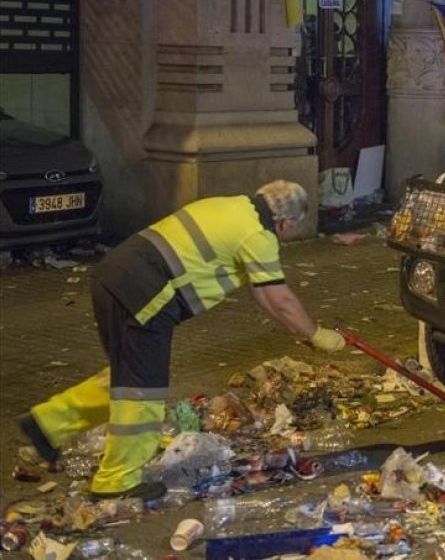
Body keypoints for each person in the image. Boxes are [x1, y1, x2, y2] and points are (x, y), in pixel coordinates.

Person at [17, 181, 345, 501]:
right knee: (142, 391)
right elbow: (278, 299)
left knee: (126, 374)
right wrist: (314, 334)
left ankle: (48, 424)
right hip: (148, 295)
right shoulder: (259, 235)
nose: (289, 235)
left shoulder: (227, 205)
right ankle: (115, 481)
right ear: (285, 221)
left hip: (112, 277)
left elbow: (262, 293)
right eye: (293, 229)